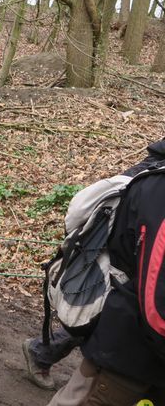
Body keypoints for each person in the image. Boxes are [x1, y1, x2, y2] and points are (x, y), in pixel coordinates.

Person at [22, 138, 165, 391]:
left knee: (108, 317)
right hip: (121, 259)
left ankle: (43, 352)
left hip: (128, 258)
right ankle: (42, 352)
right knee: (104, 316)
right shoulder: (153, 175)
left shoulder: (152, 169)